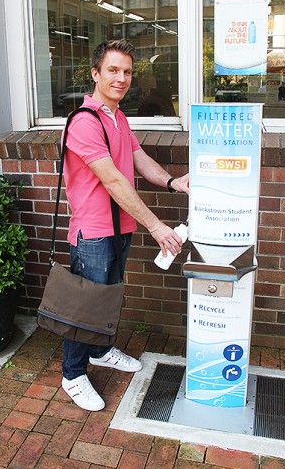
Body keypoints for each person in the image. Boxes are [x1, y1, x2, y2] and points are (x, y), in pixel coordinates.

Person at [61, 39, 189, 411]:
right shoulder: (84, 122)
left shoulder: (118, 117)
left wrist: (171, 181)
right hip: (94, 231)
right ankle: (72, 374)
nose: (121, 78)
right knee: (85, 305)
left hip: (120, 228)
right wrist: (155, 226)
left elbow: (137, 157)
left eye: (127, 72)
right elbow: (114, 180)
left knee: (110, 295)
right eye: (113, 70)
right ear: (95, 73)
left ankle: (100, 351)